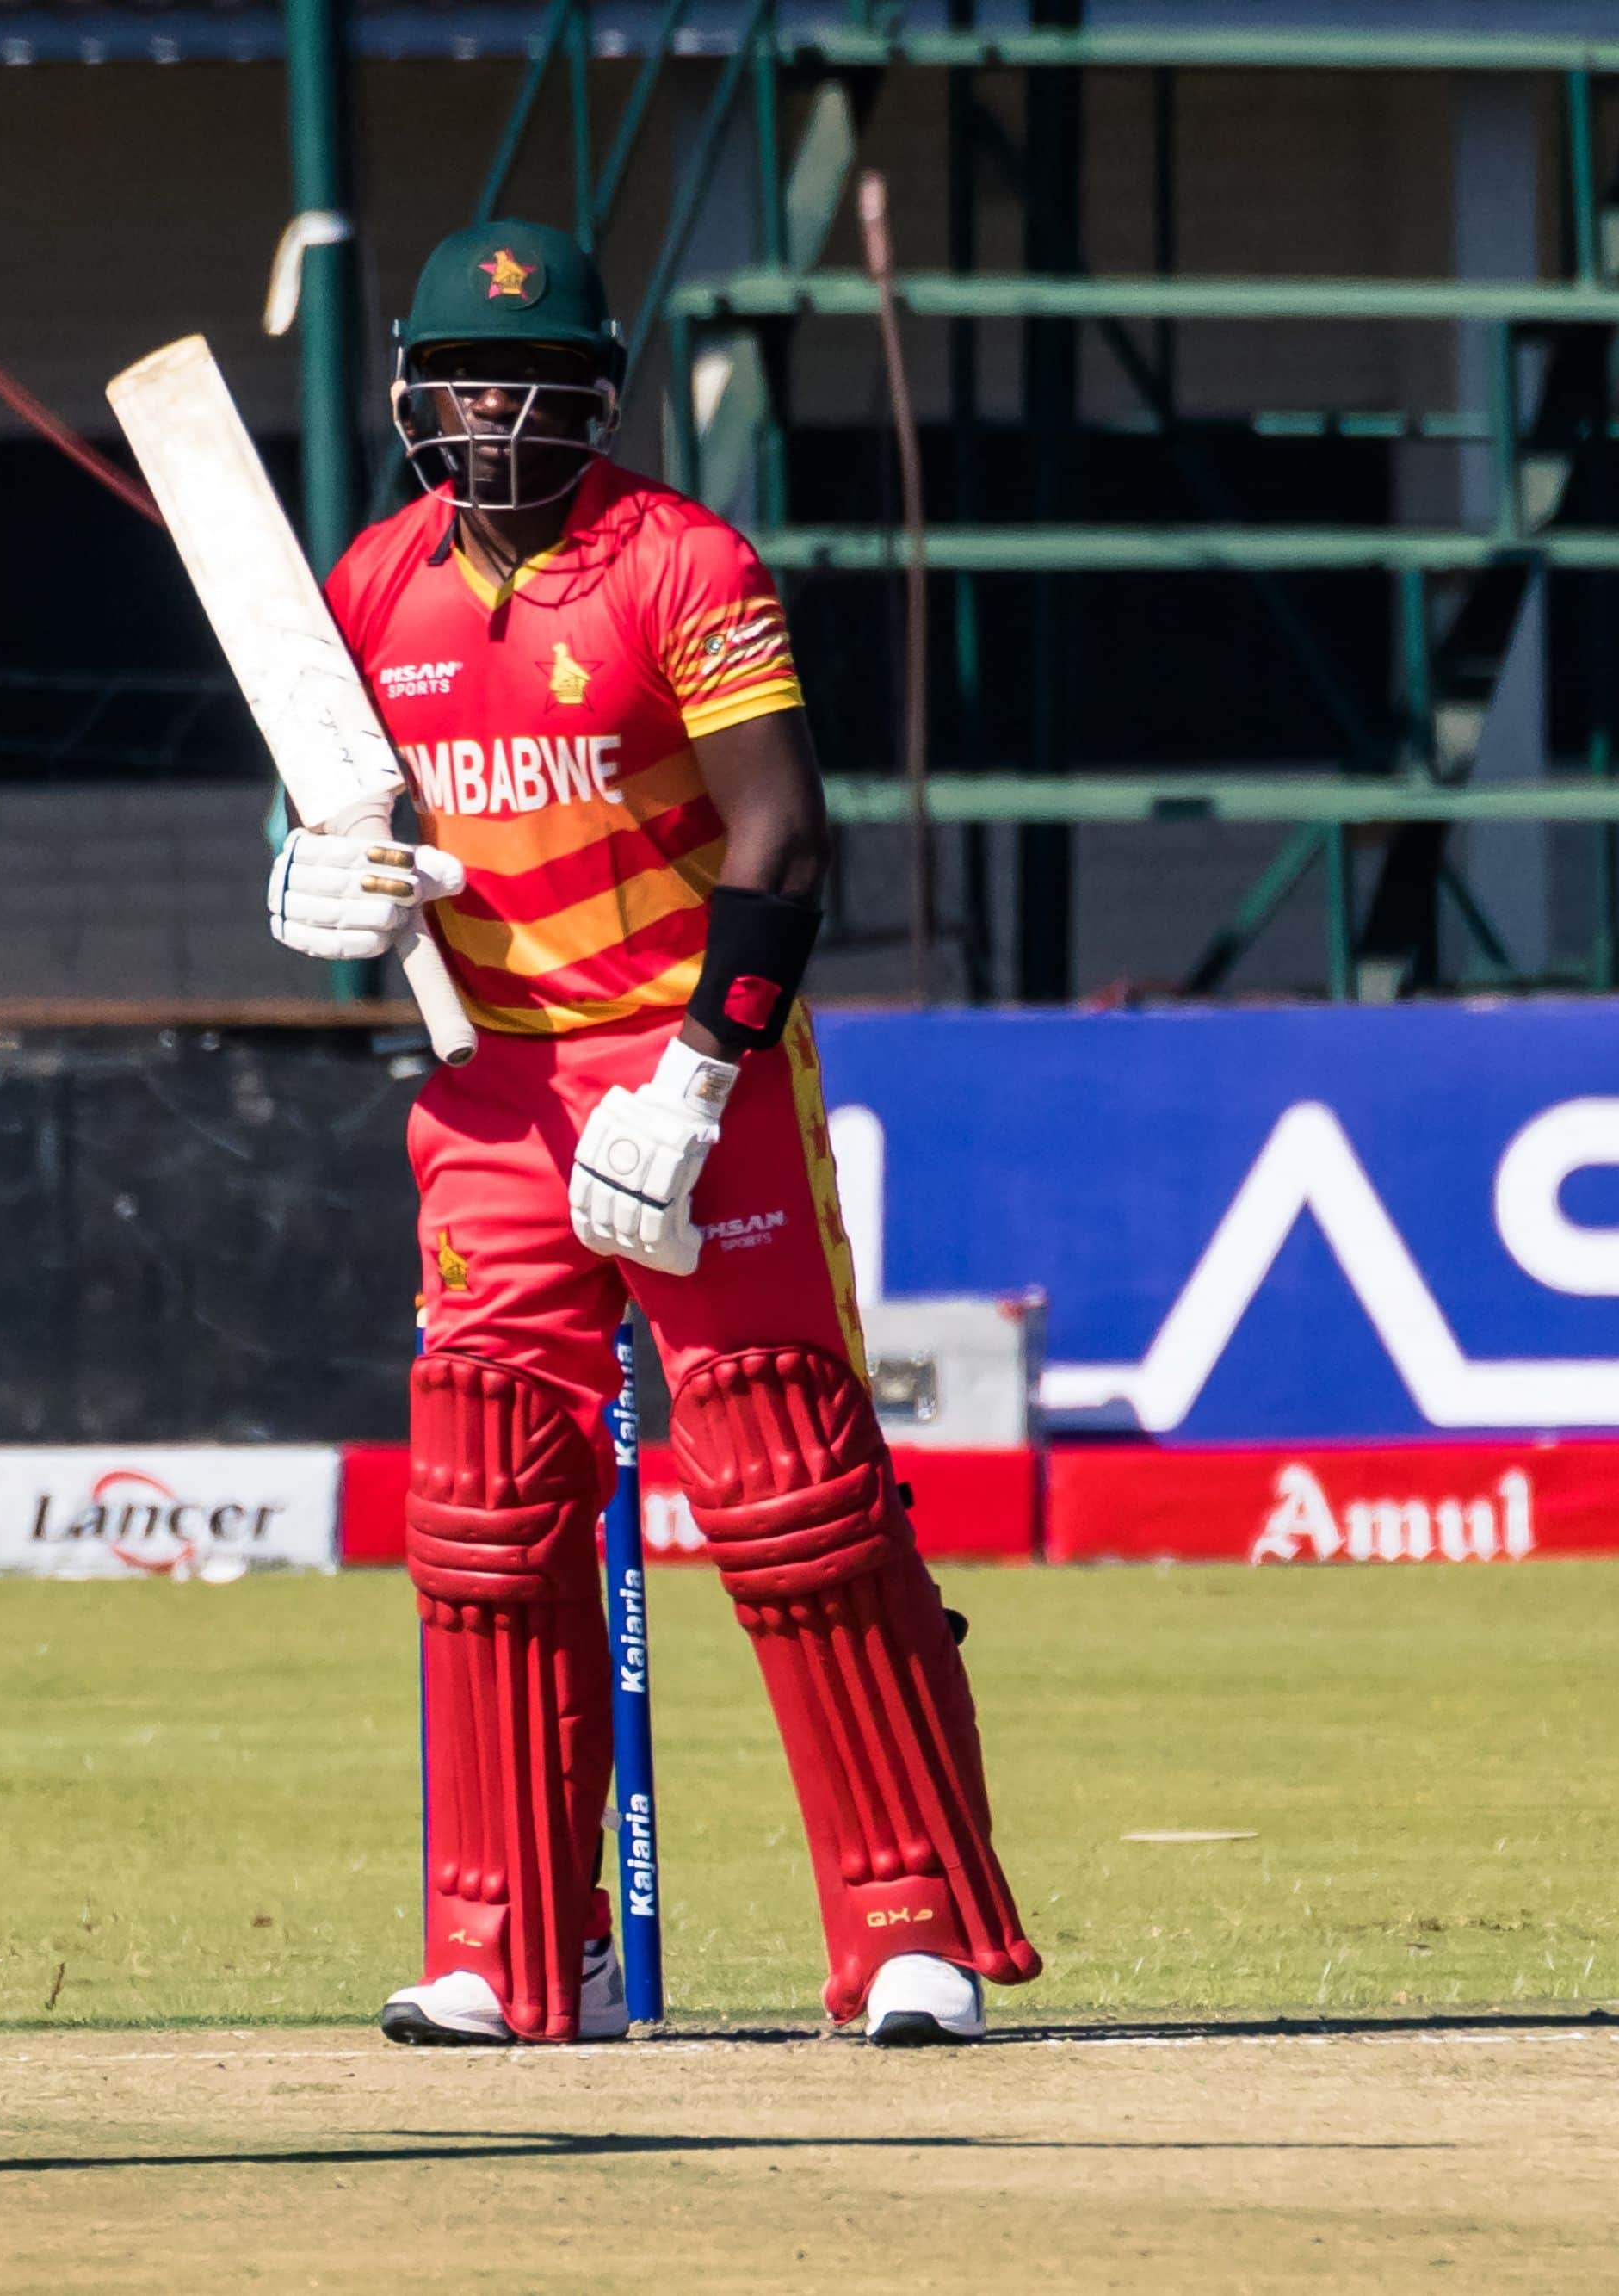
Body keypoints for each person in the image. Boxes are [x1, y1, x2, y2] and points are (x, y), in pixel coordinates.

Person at [266, 220, 1041, 2048]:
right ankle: (519, 1954)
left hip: (693, 1065)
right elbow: (337, 811)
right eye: (467, 379)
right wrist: (305, 877)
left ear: (596, 396)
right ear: (411, 394)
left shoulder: (682, 565)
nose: (498, 413)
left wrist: (695, 1078)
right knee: (479, 1505)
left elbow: (782, 839)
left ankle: (907, 1923)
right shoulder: (369, 583)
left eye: (535, 385)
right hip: (490, 1085)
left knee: (790, 1485)